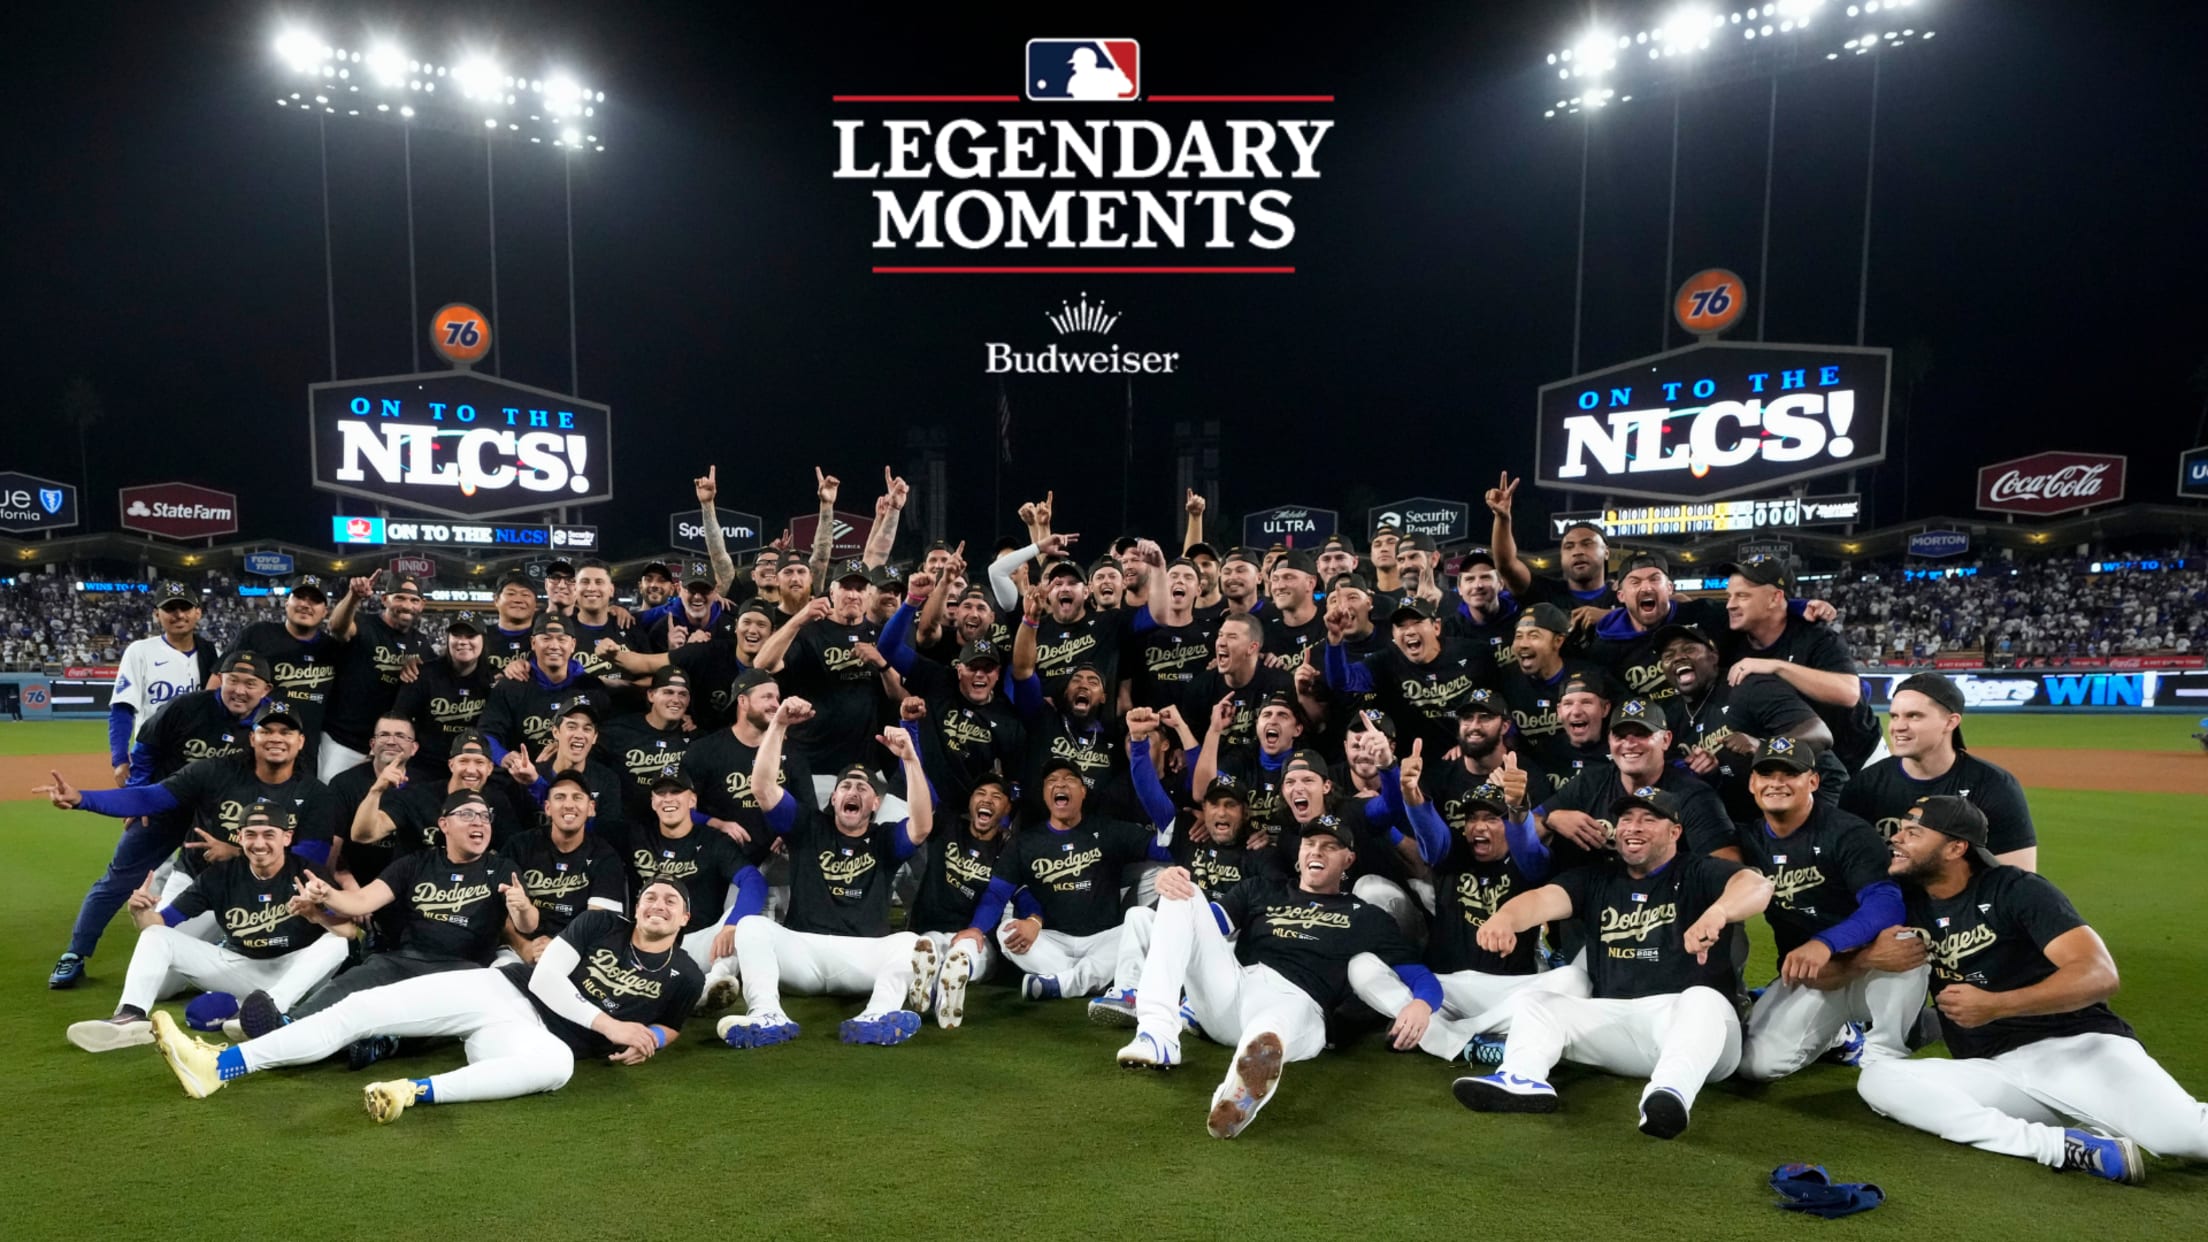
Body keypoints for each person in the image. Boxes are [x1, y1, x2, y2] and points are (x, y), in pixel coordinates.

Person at [1856, 797, 2208, 1184]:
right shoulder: (1904, 900)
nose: (1896, 838)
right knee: (1879, 1080)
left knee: (2183, 1137)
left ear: (1956, 848)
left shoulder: (2017, 889)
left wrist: (1998, 1005)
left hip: (2077, 1049)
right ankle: (2064, 1147)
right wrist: (1871, 954)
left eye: (1914, 832)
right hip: (1997, 1071)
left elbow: (2099, 974)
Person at [147, 878, 702, 1122]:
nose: (656, 902)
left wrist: (649, 1038)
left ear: (685, 918)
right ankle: (221, 1064)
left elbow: (670, 1023)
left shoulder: (685, 974)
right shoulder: (601, 923)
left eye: (669, 899)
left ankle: (410, 1093)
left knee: (557, 1067)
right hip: (495, 988)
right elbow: (545, 979)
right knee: (362, 1010)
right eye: (649, 894)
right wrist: (610, 1024)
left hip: (529, 1038)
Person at [1453, 787, 1773, 1138]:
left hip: (1699, 1034)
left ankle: (1669, 1093)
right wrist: (1506, 918)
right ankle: (1521, 1078)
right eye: (1626, 819)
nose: (1633, 827)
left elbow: (1757, 885)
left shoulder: (1699, 871)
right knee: (1539, 1002)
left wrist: (1719, 912)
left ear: (1675, 832)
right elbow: (1543, 899)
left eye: (1648, 819)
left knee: (1704, 999)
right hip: (1620, 1022)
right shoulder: (1598, 877)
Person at [1111, 813, 1438, 1140]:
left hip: (1300, 1003)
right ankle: (1158, 1035)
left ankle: (1234, 1099)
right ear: (1299, 853)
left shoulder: (1368, 917)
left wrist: (1422, 1003)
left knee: (1269, 1035)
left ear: (1348, 859)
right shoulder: (1262, 889)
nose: (1316, 852)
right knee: (1183, 891)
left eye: (1330, 847)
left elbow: (1418, 973)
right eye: (1310, 844)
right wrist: (1170, 881)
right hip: (1235, 987)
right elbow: (1200, 927)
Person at [716, 697, 936, 1047]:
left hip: (863, 955)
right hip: (804, 953)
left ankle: (876, 1015)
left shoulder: (883, 838)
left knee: (911, 943)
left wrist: (909, 759)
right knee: (751, 926)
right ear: (833, 799)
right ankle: (767, 1014)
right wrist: (779, 726)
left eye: (863, 788)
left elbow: (923, 825)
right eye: (846, 787)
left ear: (875, 804)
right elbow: (762, 787)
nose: (854, 791)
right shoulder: (807, 825)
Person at [1346, 753, 1590, 1065]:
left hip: (1510, 991)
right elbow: (1431, 833)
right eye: (1472, 818)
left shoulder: (1528, 862)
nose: (1478, 826)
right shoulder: (1450, 855)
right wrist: (1413, 799)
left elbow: (1526, 843)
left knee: (1575, 981)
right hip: (1448, 988)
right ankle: (1477, 1036)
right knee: (1362, 966)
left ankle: (1452, 1037)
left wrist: (1517, 811)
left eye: (1491, 818)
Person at [50, 649, 274, 988]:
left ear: (265, 689)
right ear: (220, 680)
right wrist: (138, 798)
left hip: (221, 818)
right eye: (233, 681)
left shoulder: (269, 723)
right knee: (120, 876)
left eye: (250, 684)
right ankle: (75, 954)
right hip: (165, 804)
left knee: (243, 874)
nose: (240, 690)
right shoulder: (186, 707)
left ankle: (236, 943)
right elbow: (146, 749)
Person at [255, 789, 527, 1060]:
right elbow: (362, 901)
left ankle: (385, 1042)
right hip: (404, 961)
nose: (478, 822)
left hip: (462, 969)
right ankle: (289, 1025)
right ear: (443, 824)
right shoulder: (415, 864)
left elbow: (527, 926)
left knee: (433, 1006)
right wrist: (328, 894)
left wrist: (523, 907)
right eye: (467, 814)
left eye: (484, 816)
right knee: (349, 987)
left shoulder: (503, 868)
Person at [64, 806, 351, 1053]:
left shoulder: (309, 873)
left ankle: (267, 1011)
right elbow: (161, 925)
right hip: (243, 968)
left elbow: (351, 932)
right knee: (155, 936)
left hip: (297, 971)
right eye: (250, 834)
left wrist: (317, 914)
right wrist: (140, 914)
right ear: (240, 837)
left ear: (286, 837)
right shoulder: (219, 877)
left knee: (336, 942)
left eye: (269, 834)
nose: (259, 843)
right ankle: (131, 1017)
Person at [1730, 737, 1923, 1080]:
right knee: (1755, 1066)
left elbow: (1886, 904)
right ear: (1752, 783)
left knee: (1907, 943)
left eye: (1790, 773)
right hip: (1812, 974)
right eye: (1766, 773)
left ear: (1813, 781)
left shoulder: (1846, 832)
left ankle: (1891, 1050)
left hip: (1875, 966)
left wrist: (1829, 944)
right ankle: (1841, 1035)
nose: (1777, 782)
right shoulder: (1749, 840)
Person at [39, 708, 338, 910]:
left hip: (270, 888)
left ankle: (231, 944)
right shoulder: (215, 771)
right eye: (266, 730)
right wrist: (82, 799)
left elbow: (310, 862)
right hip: (199, 877)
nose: (275, 738)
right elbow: (148, 799)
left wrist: (238, 853)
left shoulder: (314, 794)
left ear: (300, 742)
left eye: (286, 732)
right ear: (252, 738)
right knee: (166, 977)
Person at [961, 726, 1176, 1001]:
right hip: (1052, 942)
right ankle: (1090, 978)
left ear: (1084, 792)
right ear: (1044, 793)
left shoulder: (1108, 830)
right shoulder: (1025, 841)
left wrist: (1195, 832)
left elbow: (1166, 850)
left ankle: (1066, 983)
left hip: (1103, 939)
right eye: (1052, 780)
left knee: (1147, 922)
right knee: (1006, 932)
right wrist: (978, 929)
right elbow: (997, 893)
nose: (1060, 784)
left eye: (1069, 779)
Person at [1841, 672, 2038, 871]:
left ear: (1951, 722)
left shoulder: (1993, 785)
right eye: (1894, 716)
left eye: (1914, 716)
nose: (1898, 727)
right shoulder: (1865, 785)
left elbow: (2019, 878)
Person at [1654, 623, 1845, 820]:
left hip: (1818, 793)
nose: (1678, 657)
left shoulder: (1746, 687)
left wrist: (1762, 746)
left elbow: (1820, 734)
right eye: (1668, 656)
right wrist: (1710, 773)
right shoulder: (1672, 714)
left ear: (1714, 656)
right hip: (1759, 809)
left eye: (1689, 649)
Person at [1719, 553, 1883, 769]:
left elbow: (1849, 694)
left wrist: (1776, 666)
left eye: (1742, 596)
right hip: (1800, 764)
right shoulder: (1731, 640)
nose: (1730, 605)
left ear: (1775, 598)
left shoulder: (1816, 636)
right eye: (1729, 596)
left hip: (1860, 757)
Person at [1533, 697, 1737, 871]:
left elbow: (1728, 864)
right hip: (1601, 898)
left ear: (1666, 740)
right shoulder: (1590, 782)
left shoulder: (1692, 793)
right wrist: (1550, 820)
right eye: (1620, 735)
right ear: (1610, 741)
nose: (1629, 743)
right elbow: (1525, 827)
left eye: (1641, 734)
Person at [615, 771, 763, 996]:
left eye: (676, 792)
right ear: (653, 802)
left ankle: (713, 985)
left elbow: (754, 881)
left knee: (745, 921)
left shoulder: (713, 840)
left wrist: (732, 924)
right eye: (661, 793)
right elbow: (584, 824)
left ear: (692, 800)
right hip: (645, 942)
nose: (668, 798)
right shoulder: (635, 834)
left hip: (701, 943)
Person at [906, 773, 1022, 1029]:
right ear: (970, 802)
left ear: (1007, 808)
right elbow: (925, 790)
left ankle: (938, 988)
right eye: (981, 793)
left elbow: (997, 895)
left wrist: (977, 928)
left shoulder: (1010, 847)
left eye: (996, 796)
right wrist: (910, 751)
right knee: (931, 945)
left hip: (976, 938)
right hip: (932, 928)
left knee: (962, 952)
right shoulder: (946, 826)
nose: (987, 800)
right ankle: (941, 993)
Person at [1321, 597, 1498, 761]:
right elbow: (1343, 682)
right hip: (1415, 763)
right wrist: (1335, 641)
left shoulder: (1473, 653)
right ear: (1393, 634)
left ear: (1436, 627)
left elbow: (1499, 705)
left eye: (1417, 623)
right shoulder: (1385, 661)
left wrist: (1470, 745)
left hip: (1469, 755)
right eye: (1401, 626)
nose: (1410, 631)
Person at [500, 770, 631, 963]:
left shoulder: (605, 856)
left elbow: (599, 924)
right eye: (560, 797)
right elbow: (497, 913)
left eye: (577, 797)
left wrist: (558, 947)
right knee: (499, 971)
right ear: (547, 807)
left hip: (577, 952)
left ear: (591, 808)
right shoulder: (519, 846)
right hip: (518, 950)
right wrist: (524, 947)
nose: (569, 804)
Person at [106, 581, 218, 788]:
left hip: (199, 758)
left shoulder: (212, 654)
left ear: (198, 613)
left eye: (185, 608)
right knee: (144, 819)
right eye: (170, 609)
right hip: (152, 758)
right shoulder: (140, 651)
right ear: (157, 614)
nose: (179, 615)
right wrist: (120, 760)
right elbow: (122, 708)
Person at [320, 573, 427, 780]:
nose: (407, 605)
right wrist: (353, 597)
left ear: (422, 605)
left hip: (387, 748)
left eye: (414, 600)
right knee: (333, 800)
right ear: (385, 599)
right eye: (400, 598)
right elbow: (337, 627)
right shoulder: (363, 623)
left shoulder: (421, 643)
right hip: (344, 741)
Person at [225, 575, 342, 752]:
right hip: (254, 740)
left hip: (309, 745)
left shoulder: (333, 648)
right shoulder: (257, 634)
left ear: (326, 611)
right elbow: (219, 680)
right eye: (300, 597)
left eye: (315, 600)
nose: (305, 604)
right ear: (287, 603)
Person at [1485, 473, 1616, 609]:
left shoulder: (1623, 596)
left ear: (1606, 552)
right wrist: (1502, 518)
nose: (1577, 551)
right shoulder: (1546, 592)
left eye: (1587, 544)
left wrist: (1609, 618)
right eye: (1569, 546)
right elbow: (1507, 565)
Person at [391, 614, 494, 777]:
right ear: (447, 638)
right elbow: (400, 718)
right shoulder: (422, 674)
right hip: (425, 765)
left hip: (475, 767)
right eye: (456, 635)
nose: (462, 641)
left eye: (471, 636)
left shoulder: (494, 678)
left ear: (483, 640)